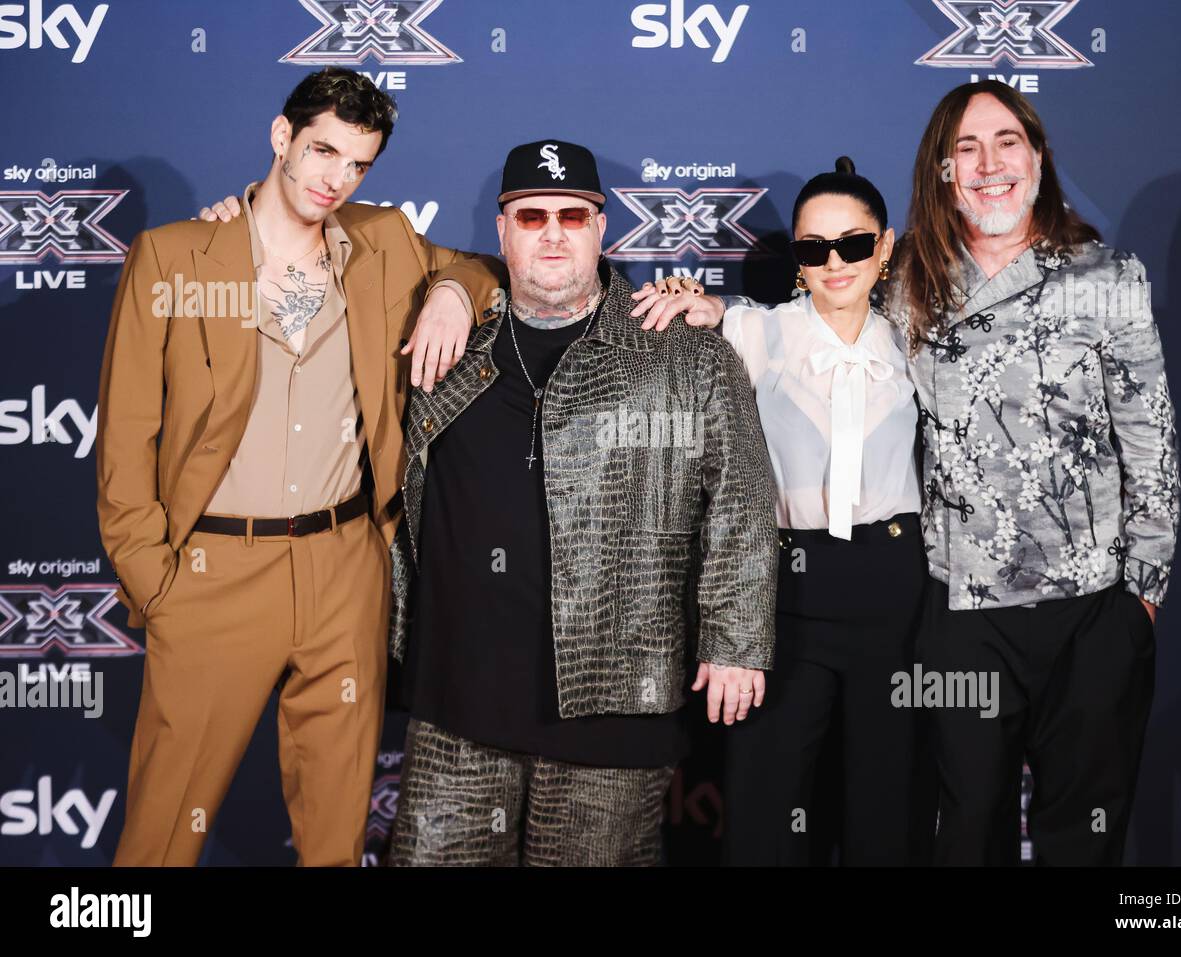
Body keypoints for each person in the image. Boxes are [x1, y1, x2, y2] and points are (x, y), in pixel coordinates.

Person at [100, 67, 501, 866]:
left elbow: (484, 269)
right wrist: (161, 588)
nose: (335, 178)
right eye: (322, 151)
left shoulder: (383, 241)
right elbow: (123, 443)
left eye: (357, 163)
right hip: (212, 574)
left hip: (343, 567)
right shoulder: (174, 257)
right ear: (281, 138)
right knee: (160, 835)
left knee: (335, 828)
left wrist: (453, 293)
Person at [384, 140, 778, 866]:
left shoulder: (684, 352)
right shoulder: (449, 348)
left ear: (604, 229)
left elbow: (743, 502)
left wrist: (735, 641)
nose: (554, 232)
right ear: (501, 232)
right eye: (531, 216)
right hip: (455, 709)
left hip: (616, 706)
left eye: (574, 214)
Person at [892, 80, 1180, 865]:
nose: (990, 164)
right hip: (962, 615)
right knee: (964, 831)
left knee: (1082, 839)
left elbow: (1150, 439)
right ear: (944, 172)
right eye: (967, 148)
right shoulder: (907, 285)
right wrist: (723, 316)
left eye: (1007, 142)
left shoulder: (1106, 277)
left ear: (1039, 158)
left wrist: (1140, 600)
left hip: (1092, 612)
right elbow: (819, 331)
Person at [631, 158, 936, 865]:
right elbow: (701, 315)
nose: (835, 263)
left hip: (898, 590)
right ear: (796, 257)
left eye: (854, 245)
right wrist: (688, 299)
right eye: (812, 248)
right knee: (766, 808)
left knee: (886, 811)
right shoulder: (760, 331)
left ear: (885, 247)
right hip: (786, 592)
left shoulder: (919, 339)